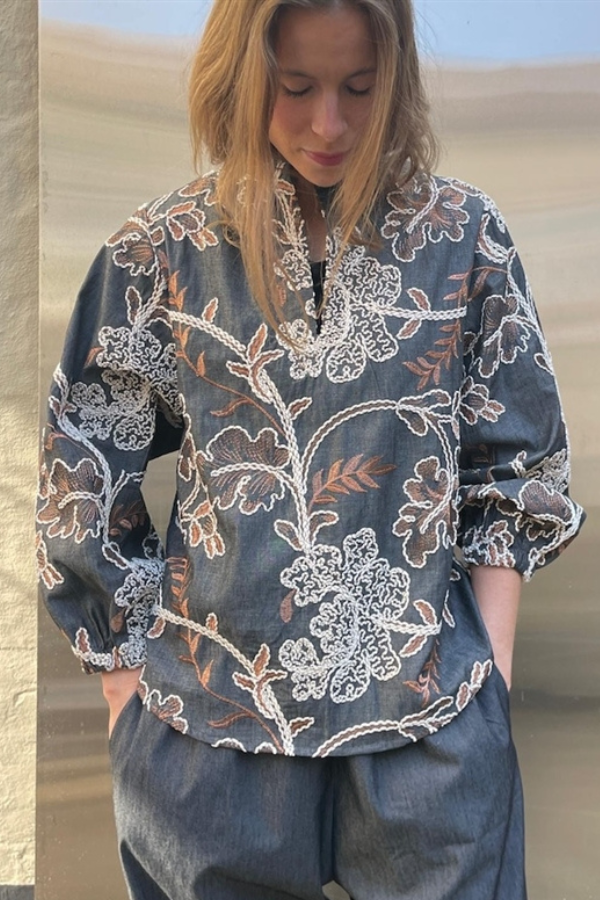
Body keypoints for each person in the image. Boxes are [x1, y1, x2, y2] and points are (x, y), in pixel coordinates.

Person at [36, 1, 585, 898]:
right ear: (240, 76)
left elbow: (515, 470)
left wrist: (492, 680)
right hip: (208, 736)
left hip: (430, 733)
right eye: (295, 87)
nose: (329, 124)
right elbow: (84, 465)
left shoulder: (463, 239)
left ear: (396, 78)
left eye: (359, 88)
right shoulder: (162, 252)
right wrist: (123, 683)